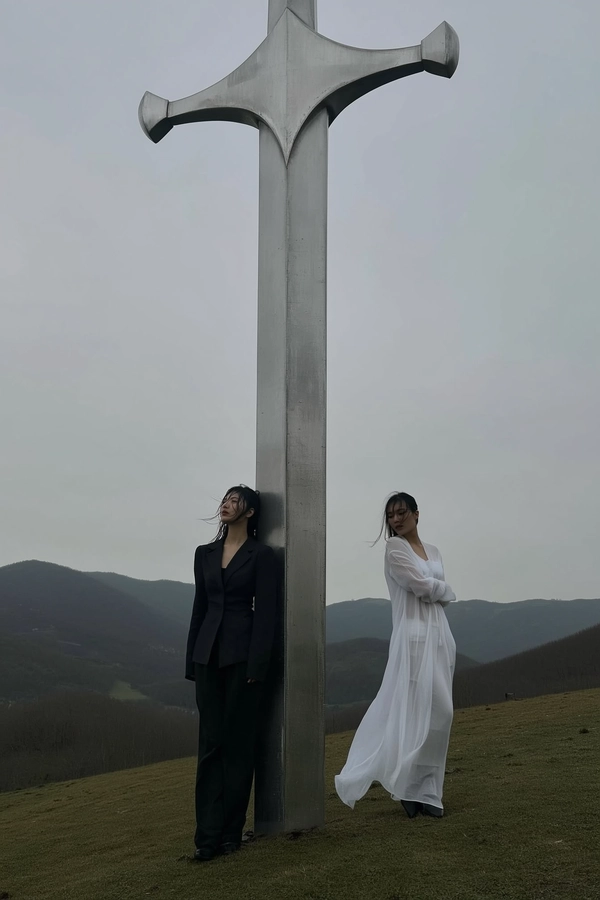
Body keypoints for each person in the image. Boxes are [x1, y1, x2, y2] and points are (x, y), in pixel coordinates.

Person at [335, 492, 457, 818]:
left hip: (439, 636)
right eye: (391, 516)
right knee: (413, 710)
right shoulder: (394, 549)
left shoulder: (433, 551)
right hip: (412, 637)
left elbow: (428, 586)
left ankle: (428, 789)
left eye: (402, 512)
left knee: (440, 713)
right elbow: (421, 587)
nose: (396, 519)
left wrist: (438, 592)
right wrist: (448, 591)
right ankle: (407, 786)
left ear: (417, 514)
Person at [185, 485, 277, 861]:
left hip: (243, 660)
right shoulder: (203, 554)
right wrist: (192, 660)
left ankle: (230, 832)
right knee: (210, 746)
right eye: (224, 499)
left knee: (239, 746)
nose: (226, 504)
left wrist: (259, 664)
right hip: (207, 657)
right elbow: (199, 608)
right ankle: (206, 837)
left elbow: (267, 613)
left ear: (250, 512)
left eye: (235, 500)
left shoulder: (263, 556)